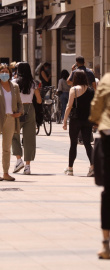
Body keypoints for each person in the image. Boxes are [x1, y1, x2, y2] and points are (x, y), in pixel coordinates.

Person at [89, 73, 110, 259]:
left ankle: (106, 245)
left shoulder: (107, 79)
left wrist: (96, 120)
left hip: (108, 137)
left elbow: (96, 108)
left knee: (108, 193)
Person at [12, 62, 42, 175]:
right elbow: (39, 100)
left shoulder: (14, 82)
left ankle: (19, 160)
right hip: (30, 110)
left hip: (17, 111)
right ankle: (28, 166)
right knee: (29, 139)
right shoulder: (33, 83)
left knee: (14, 135)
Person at [63, 70, 94, 176]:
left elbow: (69, 106)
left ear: (75, 78)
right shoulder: (91, 90)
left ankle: (70, 168)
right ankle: (92, 167)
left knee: (73, 143)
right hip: (87, 120)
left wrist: (64, 121)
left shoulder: (74, 90)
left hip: (75, 119)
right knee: (87, 144)